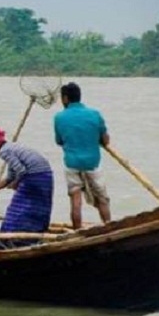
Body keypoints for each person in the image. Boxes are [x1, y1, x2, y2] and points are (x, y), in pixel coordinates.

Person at [54, 82, 111, 229]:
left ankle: (78, 231)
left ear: (65, 99)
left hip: (72, 163)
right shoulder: (94, 114)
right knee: (102, 199)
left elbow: (59, 141)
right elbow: (105, 140)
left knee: (75, 200)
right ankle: (109, 227)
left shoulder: (59, 117)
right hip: (92, 163)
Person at [0, 127, 53, 235]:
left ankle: (11, 234)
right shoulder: (11, 148)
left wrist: (16, 183)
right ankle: (36, 231)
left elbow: (21, 171)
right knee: (38, 207)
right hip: (46, 176)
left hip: (34, 176)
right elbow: (10, 177)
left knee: (16, 208)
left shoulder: (4, 151)